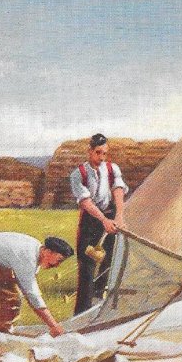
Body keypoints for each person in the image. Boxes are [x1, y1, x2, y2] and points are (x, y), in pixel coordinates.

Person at [0, 232, 74, 337]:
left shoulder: (35, 250)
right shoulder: (27, 258)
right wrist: (53, 326)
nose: (57, 265)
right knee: (11, 297)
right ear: (48, 251)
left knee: (6, 294)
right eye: (59, 260)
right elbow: (32, 295)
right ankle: (1, 334)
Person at [69, 133, 129, 315]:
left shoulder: (112, 169)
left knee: (108, 265)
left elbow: (118, 190)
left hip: (111, 220)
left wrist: (119, 215)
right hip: (91, 223)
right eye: (98, 153)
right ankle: (82, 314)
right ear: (89, 151)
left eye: (104, 153)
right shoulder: (78, 174)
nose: (101, 158)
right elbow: (86, 202)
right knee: (87, 270)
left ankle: (99, 312)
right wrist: (103, 220)